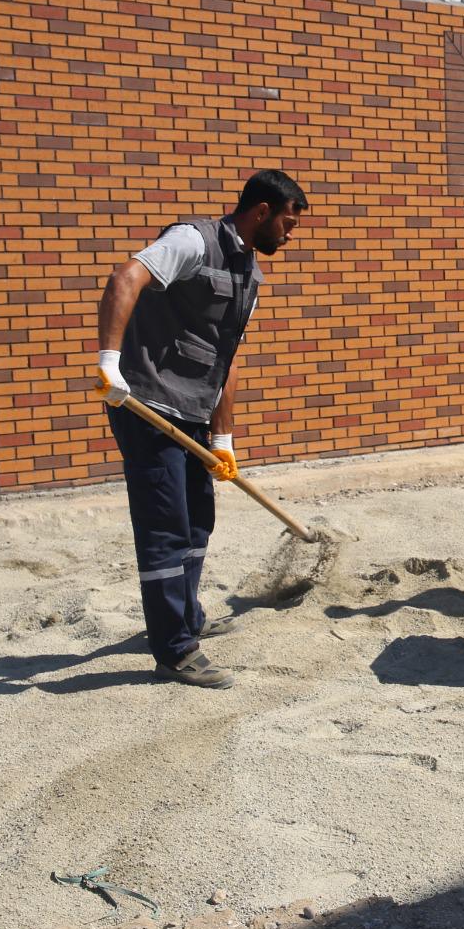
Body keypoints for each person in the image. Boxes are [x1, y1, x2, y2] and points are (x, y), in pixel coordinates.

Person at [94, 169, 308, 688]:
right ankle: (174, 652)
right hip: (145, 402)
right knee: (165, 528)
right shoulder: (192, 241)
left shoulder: (250, 276)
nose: (290, 234)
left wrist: (223, 439)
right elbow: (126, 279)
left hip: (192, 411)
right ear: (262, 211)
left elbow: (225, 361)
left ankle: (184, 618)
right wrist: (109, 363)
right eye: (288, 223)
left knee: (196, 524)